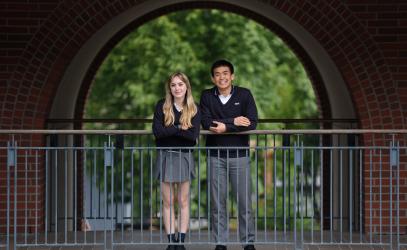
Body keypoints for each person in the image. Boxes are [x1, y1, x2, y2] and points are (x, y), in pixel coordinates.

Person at [200, 60, 258, 250]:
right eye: (217, 74)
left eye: (225, 73)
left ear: (232, 76)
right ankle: (220, 242)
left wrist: (225, 126)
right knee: (217, 204)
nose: (222, 77)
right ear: (213, 78)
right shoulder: (207, 96)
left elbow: (252, 123)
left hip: (239, 155)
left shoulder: (245, 94)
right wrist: (233, 121)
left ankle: (248, 242)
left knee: (244, 203)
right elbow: (206, 123)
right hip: (215, 156)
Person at [153, 72, 200, 250]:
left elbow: (193, 137)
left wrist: (170, 129)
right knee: (167, 202)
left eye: (180, 84)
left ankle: (180, 241)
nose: (177, 88)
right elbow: (158, 134)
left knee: (183, 201)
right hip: (165, 155)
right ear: (170, 88)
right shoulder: (162, 106)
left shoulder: (194, 108)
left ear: (186, 86)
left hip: (184, 156)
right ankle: (171, 241)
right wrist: (180, 127)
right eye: (173, 85)